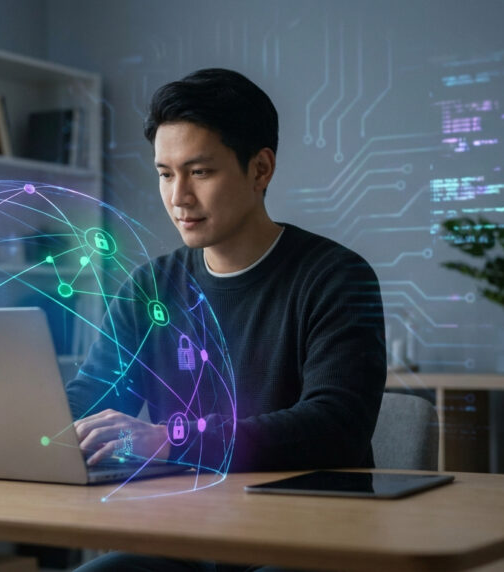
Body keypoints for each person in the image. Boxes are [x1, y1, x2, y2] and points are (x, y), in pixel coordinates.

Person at [66, 68, 387, 571]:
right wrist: (3, 423)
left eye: (200, 172)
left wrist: (171, 438)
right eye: (165, 174)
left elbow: (335, 426)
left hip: (314, 537)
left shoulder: (336, 277)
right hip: (190, 533)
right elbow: (92, 397)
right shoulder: (150, 288)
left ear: (260, 170)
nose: (178, 197)